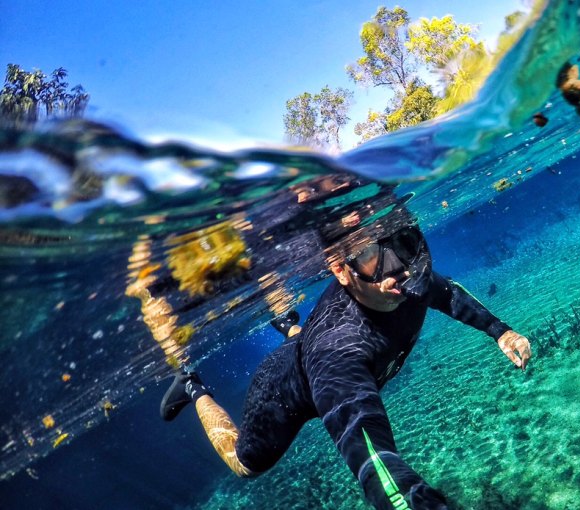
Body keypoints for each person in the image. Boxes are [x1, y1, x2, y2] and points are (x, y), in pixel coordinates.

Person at [158, 200, 532, 510]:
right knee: (245, 465)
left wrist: (501, 331)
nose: (397, 270)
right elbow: (376, 466)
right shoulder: (339, 355)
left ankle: (289, 325)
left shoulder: (405, 281)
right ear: (340, 270)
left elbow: (446, 293)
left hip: (313, 347)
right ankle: (192, 384)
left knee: (307, 339)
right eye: (371, 257)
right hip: (284, 388)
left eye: (401, 242)